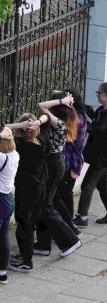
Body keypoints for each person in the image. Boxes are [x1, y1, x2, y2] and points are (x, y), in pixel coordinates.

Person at [34, 92, 82, 257]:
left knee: (45, 205)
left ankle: (70, 240)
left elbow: (41, 105)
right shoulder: (65, 121)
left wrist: (63, 100)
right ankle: (42, 244)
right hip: (54, 163)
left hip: (53, 164)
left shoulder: (59, 123)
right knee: (43, 204)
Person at [74, 82, 107, 226]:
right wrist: (78, 102)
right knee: (102, 185)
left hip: (102, 157)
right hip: (102, 155)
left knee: (87, 186)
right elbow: (92, 113)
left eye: (99, 93)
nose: (97, 94)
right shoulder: (104, 110)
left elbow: (98, 130)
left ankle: (82, 217)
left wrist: (83, 124)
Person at [9, 114, 49, 273]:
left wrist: (19, 125)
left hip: (26, 189)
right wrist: (38, 122)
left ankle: (27, 262)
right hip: (40, 187)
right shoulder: (43, 142)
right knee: (31, 223)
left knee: (23, 224)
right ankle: (27, 254)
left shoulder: (21, 145)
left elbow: (3, 129)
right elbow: (46, 116)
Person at [58, 87, 88, 233]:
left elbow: (67, 137)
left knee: (64, 195)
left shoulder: (74, 119)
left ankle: (69, 225)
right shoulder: (80, 115)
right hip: (75, 161)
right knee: (66, 194)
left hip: (70, 162)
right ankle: (69, 224)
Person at [0, 127, 20, 284]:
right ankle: (2, 270)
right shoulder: (14, 155)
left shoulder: (1, 158)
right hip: (8, 199)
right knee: (4, 235)